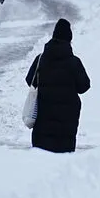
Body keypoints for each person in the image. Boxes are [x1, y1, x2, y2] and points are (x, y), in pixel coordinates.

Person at [25, 19, 90, 153]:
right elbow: (84, 86)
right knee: (63, 164)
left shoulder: (40, 59)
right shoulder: (74, 62)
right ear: (69, 40)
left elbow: (29, 80)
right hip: (66, 127)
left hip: (42, 125)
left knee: (42, 162)